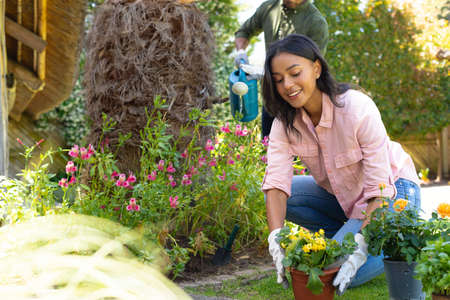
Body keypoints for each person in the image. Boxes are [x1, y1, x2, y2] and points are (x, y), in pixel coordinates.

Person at [261, 34, 421, 294]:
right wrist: (275, 239)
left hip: (394, 192)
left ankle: (396, 245)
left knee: (333, 275)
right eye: (278, 80)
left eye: (294, 73)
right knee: (282, 196)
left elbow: (379, 189)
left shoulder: (356, 108)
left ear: (316, 68)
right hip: (346, 200)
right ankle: (350, 233)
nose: (287, 85)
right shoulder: (285, 122)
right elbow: (276, 183)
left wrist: (357, 252)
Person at [234, 0, 329, 138]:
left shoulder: (316, 23)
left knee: (299, 153)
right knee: (268, 149)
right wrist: (240, 52)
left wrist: (269, 74)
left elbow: (311, 69)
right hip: (272, 98)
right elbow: (244, 32)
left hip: (300, 102)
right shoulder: (269, 7)